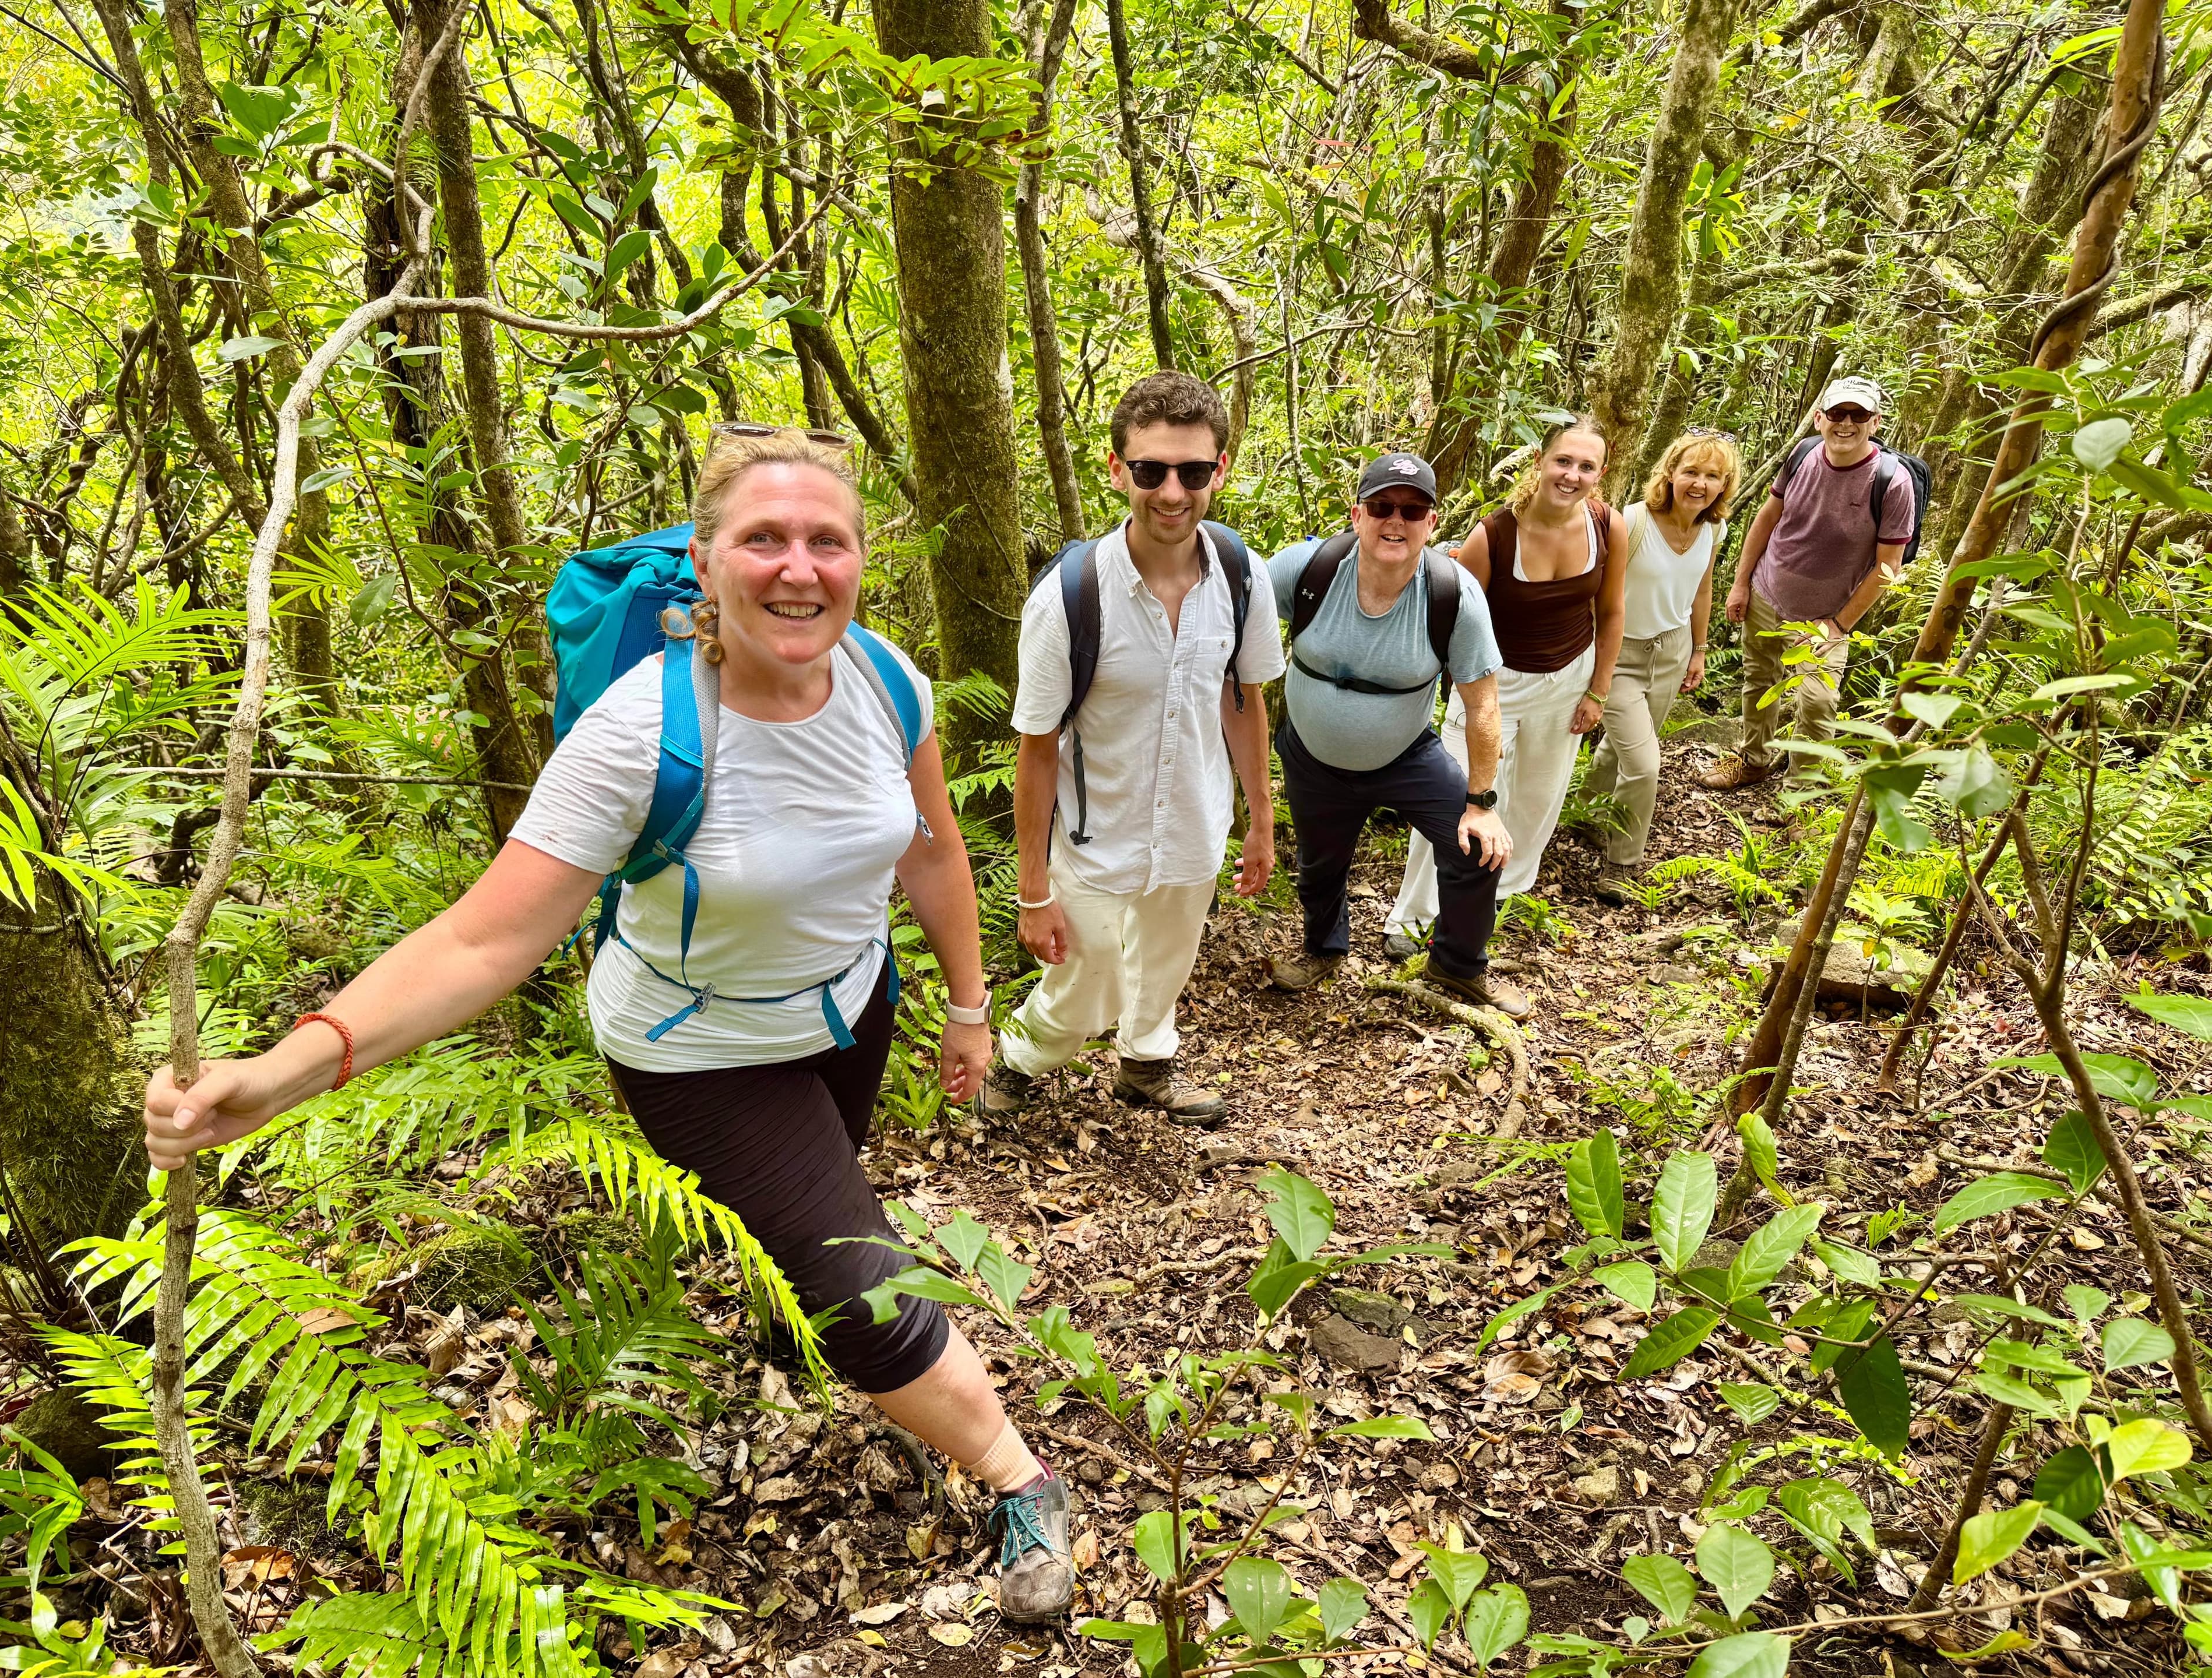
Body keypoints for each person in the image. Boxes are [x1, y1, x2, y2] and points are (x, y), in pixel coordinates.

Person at [141, 427, 1077, 1623]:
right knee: (865, 1283)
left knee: (823, 1193)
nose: (799, 568)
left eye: (826, 541)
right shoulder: (640, 734)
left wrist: (966, 1005)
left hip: (849, 1005)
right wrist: (284, 1070)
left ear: (860, 560)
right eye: (764, 540)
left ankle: (787, 1319)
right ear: (706, 558)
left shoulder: (888, 679)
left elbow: (933, 849)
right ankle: (1019, 1476)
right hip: (698, 1049)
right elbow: (481, 940)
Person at [979, 372, 1284, 1127]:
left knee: (1169, 957)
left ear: (1221, 470)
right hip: (1093, 831)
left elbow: (1244, 700)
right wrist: (1031, 886)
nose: (1172, 492)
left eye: (1192, 471)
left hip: (1194, 818)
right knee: (1092, 974)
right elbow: (1038, 745)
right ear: (1119, 471)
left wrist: (1260, 816)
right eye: (1151, 471)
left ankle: (1147, 1064)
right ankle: (1017, 1058)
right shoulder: (1071, 596)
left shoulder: (1242, 577)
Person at [1262, 451, 1528, 1019]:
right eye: (1382, 506)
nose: (1396, 521)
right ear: (1357, 514)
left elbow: (1482, 704)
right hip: (1312, 754)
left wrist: (1482, 803)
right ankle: (1323, 950)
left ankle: (1458, 966)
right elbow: (1235, 622)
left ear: (1432, 523)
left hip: (1406, 755)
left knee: (1477, 848)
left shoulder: (1452, 595)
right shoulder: (1305, 571)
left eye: (1413, 510)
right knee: (1319, 863)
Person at [1385, 414, 1627, 944]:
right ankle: (1413, 916)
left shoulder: (1608, 525)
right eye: (1563, 461)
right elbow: (1450, 624)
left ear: (1601, 473)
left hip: (1569, 678)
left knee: (1538, 798)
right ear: (1540, 462)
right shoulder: (1493, 535)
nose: (1571, 475)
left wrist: (1599, 691)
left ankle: (1497, 896)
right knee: (1456, 796)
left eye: (1586, 467)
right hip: (1492, 683)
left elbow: (1611, 613)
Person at [1699, 375, 1913, 789]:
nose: (1846, 423)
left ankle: (1802, 793)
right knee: (1759, 681)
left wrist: (1836, 626)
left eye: (1859, 414)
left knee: (1817, 702)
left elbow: (1889, 567)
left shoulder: (1892, 483)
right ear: (1819, 419)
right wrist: (1742, 582)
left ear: (1876, 422)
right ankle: (1754, 759)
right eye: (1837, 413)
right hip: (1768, 591)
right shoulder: (1804, 454)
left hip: (1827, 616)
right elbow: (1768, 517)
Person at [1583, 429, 1739, 901]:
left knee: (1623, 747)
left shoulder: (1715, 529)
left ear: (1724, 484)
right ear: (1670, 474)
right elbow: (1597, 591)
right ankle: (1621, 863)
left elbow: (1703, 590)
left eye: (1713, 476)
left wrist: (1698, 649)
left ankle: (1588, 814)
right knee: (1646, 763)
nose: (1700, 484)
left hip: (1670, 653)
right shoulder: (1632, 521)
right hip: (1620, 652)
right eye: (1691, 471)